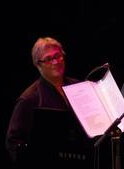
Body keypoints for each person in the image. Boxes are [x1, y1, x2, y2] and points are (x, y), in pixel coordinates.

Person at [5, 37, 92, 167]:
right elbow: (13, 142)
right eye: (48, 59)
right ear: (38, 64)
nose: (56, 61)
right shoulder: (29, 99)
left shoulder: (80, 87)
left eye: (58, 56)